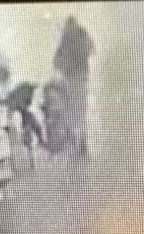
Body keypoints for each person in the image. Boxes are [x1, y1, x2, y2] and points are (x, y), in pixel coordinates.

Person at [53, 15, 94, 158]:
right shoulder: (80, 34)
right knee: (79, 109)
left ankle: (77, 137)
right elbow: (92, 49)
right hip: (79, 78)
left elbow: (56, 61)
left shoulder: (66, 39)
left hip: (72, 79)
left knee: (73, 110)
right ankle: (81, 138)